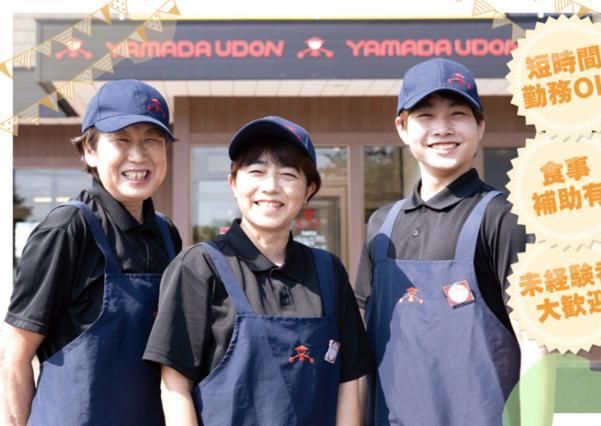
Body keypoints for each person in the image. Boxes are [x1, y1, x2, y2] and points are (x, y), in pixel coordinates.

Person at [143, 116, 374, 425]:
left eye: (288, 174)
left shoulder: (328, 271)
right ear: (233, 183)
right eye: (257, 171)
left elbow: (348, 381)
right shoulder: (200, 266)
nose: (271, 186)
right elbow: (174, 386)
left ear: (309, 189)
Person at [355, 58, 542, 425]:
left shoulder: (504, 218)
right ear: (402, 127)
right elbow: (361, 352)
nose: (442, 128)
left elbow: (537, 346)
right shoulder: (381, 225)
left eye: (458, 114)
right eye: (425, 115)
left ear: (480, 126)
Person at [0, 79, 181, 426]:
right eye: (121, 140)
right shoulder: (67, 229)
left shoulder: (166, 234)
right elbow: (13, 356)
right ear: (90, 150)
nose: (138, 155)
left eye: (151, 140)